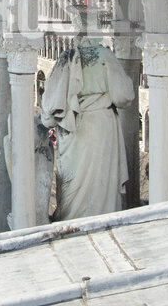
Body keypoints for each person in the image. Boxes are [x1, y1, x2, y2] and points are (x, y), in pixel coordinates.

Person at [39, 26, 135, 220]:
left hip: (72, 128)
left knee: (72, 188)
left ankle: (71, 225)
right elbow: (124, 96)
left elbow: (49, 111)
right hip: (102, 126)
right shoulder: (105, 56)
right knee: (103, 184)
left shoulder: (65, 58)